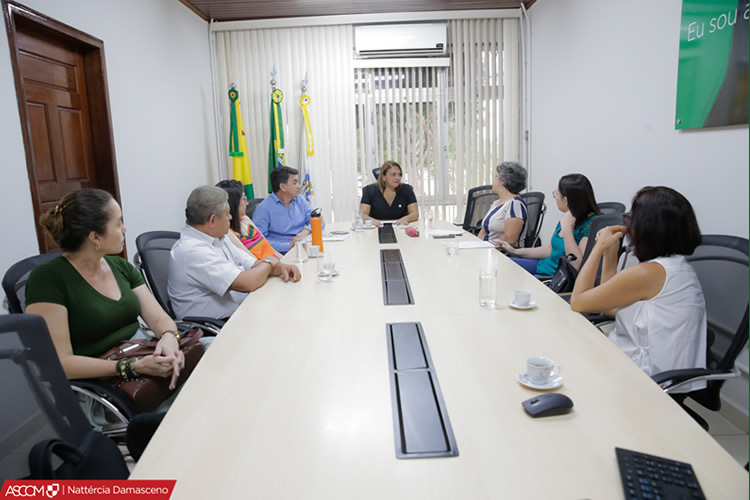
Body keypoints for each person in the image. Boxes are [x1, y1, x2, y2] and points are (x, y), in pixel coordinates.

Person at [25, 188, 184, 390]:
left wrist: (169, 338)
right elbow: (61, 363)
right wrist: (132, 367)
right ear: (95, 237)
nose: (124, 229)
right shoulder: (48, 279)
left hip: (142, 356)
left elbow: (159, 319)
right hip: (102, 383)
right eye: (118, 224)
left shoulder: (121, 267)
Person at [569, 187, 706, 389]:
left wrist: (597, 248)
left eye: (629, 219)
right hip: (635, 363)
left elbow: (578, 302)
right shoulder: (674, 267)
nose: (627, 226)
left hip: (641, 379)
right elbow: (610, 309)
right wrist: (610, 254)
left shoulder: (649, 273)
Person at [168, 185, 300, 320]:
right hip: (219, 325)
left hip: (243, 309)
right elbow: (248, 282)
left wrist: (280, 267)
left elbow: (254, 264)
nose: (231, 217)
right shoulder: (192, 251)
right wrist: (269, 262)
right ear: (212, 220)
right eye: (227, 214)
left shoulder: (218, 237)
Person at [498, 173, 600, 276]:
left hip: (555, 277)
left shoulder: (590, 226)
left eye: (556, 193)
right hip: (543, 266)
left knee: (511, 278)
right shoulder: (568, 218)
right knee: (500, 263)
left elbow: (576, 265)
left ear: (566, 200)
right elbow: (549, 250)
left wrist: (566, 228)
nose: (555, 197)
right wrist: (515, 251)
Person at [252, 166, 313, 254]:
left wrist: (306, 231)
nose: (299, 186)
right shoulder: (263, 209)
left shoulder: (299, 199)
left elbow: (318, 220)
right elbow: (259, 242)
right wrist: (289, 245)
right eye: (295, 183)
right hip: (280, 254)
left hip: (302, 248)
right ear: (283, 187)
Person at [215, 179, 278, 260]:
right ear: (233, 203)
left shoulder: (245, 219)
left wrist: (284, 260)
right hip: (267, 266)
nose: (247, 203)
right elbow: (253, 261)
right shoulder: (228, 233)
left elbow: (270, 248)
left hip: (276, 262)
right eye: (243, 199)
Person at [476, 162, 528, 247]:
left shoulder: (515, 204)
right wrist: (476, 246)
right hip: (487, 249)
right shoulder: (496, 203)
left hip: (500, 253)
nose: (493, 180)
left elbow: (509, 240)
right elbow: (484, 230)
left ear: (503, 181)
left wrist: (486, 249)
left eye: (496, 176)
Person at [360, 160, 419, 226]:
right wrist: (372, 221)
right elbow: (362, 215)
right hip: (376, 227)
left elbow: (415, 214)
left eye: (399, 174)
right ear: (383, 176)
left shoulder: (407, 189)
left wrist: (405, 219)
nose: (397, 178)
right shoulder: (369, 190)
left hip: (401, 227)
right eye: (393, 174)